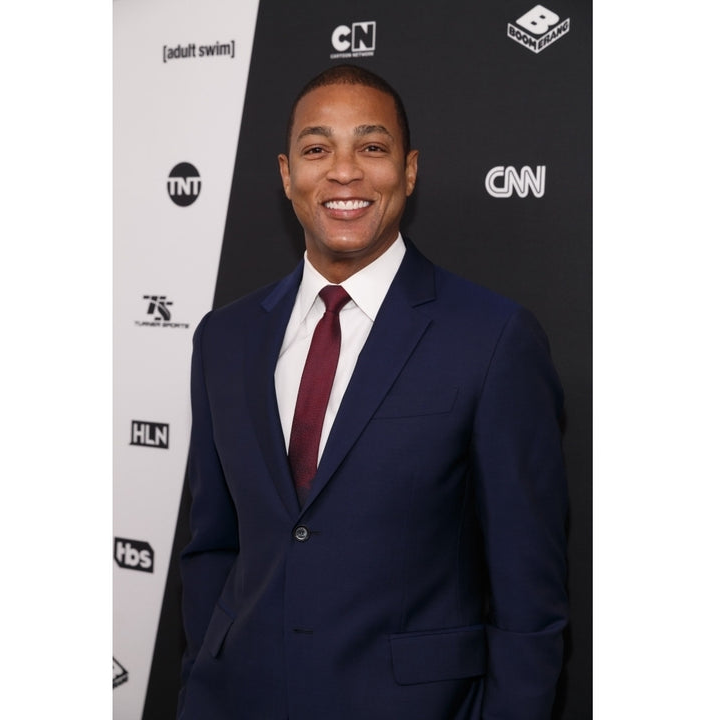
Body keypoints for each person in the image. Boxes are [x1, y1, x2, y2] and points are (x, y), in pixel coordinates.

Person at [177, 64, 568, 720]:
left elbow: (528, 599)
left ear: (409, 171)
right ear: (286, 175)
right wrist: (203, 680)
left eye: (372, 146)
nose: (344, 171)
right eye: (316, 149)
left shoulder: (494, 337)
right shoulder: (225, 338)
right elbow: (214, 543)